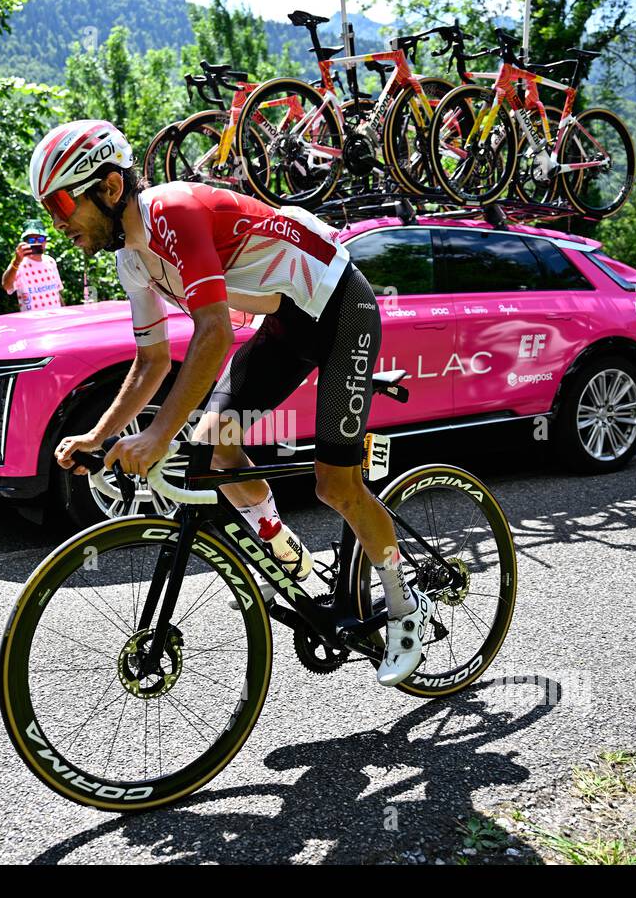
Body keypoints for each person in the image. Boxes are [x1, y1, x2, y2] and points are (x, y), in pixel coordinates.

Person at [41, 120, 434, 687]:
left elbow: (215, 332)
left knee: (335, 484)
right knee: (214, 445)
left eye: (60, 203)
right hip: (288, 320)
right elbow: (150, 362)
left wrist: (155, 438)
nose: (57, 223)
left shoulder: (171, 213)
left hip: (341, 308)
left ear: (106, 188)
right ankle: (290, 565)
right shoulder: (131, 258)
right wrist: (99, 436)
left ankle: (405, 607)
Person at [1, 219, 64, 310]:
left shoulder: (50, 261)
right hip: (33, 322)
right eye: (31, 240)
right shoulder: (19, 264)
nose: (36, 242)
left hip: (55, 319)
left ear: (45, 241)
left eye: (40, 239)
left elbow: (57, 292)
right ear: (25, 243)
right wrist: (16, 262)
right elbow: (6, 285)